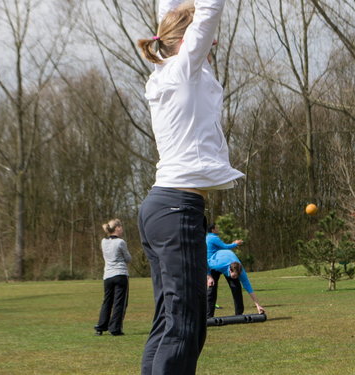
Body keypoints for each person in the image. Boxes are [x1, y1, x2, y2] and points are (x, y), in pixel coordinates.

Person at [137, 0, 244, 373]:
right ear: (185, 42)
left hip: (160, 208)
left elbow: (171, 12)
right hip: (177, 207)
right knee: (185, 326)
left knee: (169, 321)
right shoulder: (183, 70)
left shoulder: (163, 75)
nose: (210, 46)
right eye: (205, 41)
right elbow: (209, 10)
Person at [94, 219, 132, 336]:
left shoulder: (103, 241)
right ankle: (115, 328)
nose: (122, 230)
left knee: (107, 301)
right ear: (116, 228)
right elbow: (128, 258)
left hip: (108, 275)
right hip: (120, 274)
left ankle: (101, 326)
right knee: (119, 302)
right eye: (120, 227)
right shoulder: (121, 242)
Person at [207, 249, 265, 316]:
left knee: (236, 288)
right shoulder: (217, 264)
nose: (236, 277)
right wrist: (209, 277)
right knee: (212, 289)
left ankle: (239, 314)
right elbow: (204, 263)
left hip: (229, 258)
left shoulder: (240, 271)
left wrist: (258, 305)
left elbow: (249, 288)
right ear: (230, 270)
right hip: (218, 260)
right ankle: (209, 315)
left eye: (237, 276)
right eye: (235, 276)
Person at [206, 223, 243, 317]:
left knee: (211, 290)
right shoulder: (213, 238)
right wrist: (236, 244)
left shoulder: (207, 238)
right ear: (213, 230)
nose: (218, 229)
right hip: (219, 264)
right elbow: (225, 247)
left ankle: (209, 315)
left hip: (213, 266)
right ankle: (239, 313)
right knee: (235, 287)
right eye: (217, 228)